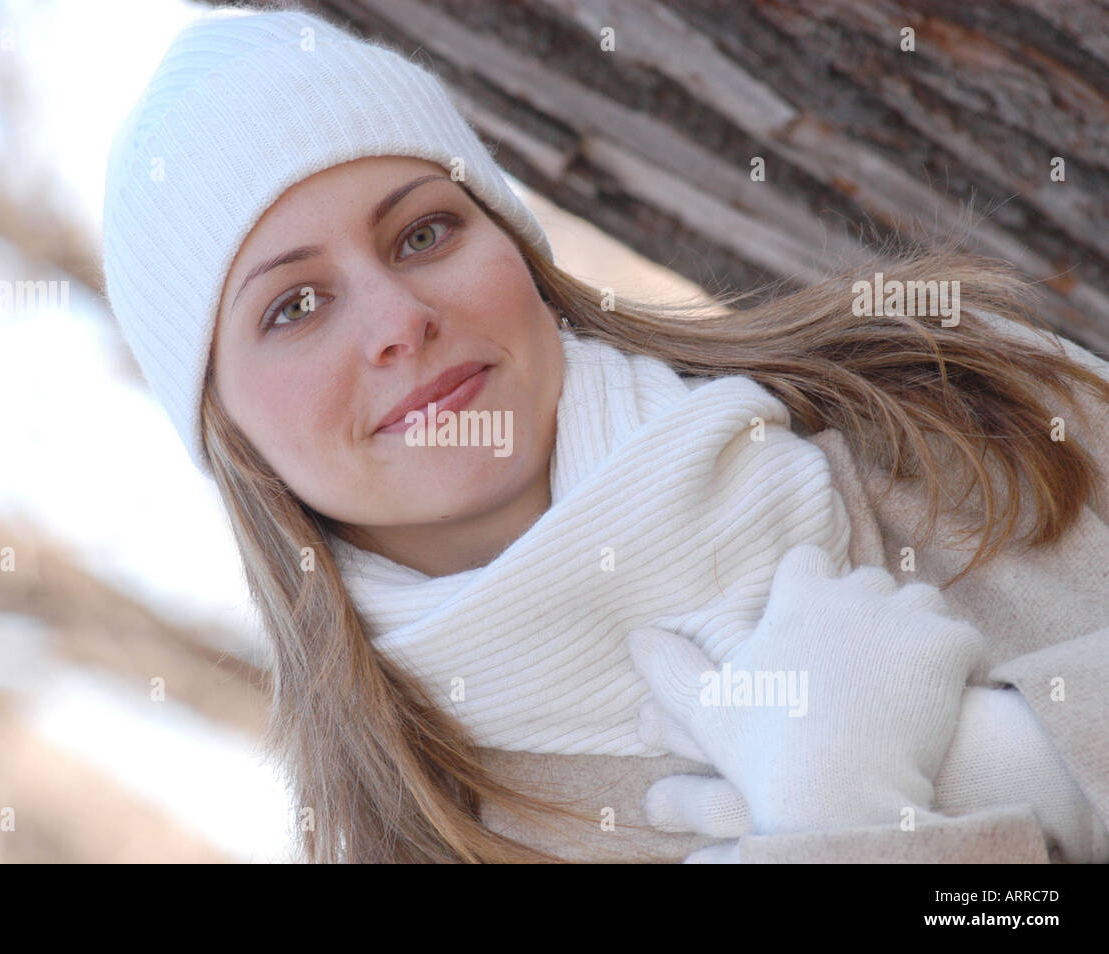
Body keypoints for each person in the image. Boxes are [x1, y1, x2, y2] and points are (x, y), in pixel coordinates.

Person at [102, 6, 1109, 863]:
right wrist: (837, 819)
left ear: (517, 248)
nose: (395, 320)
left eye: (422, 232)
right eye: (294, 306)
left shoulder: (957, 391)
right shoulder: (425, 841)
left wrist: (1013, 756)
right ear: (227, 430)